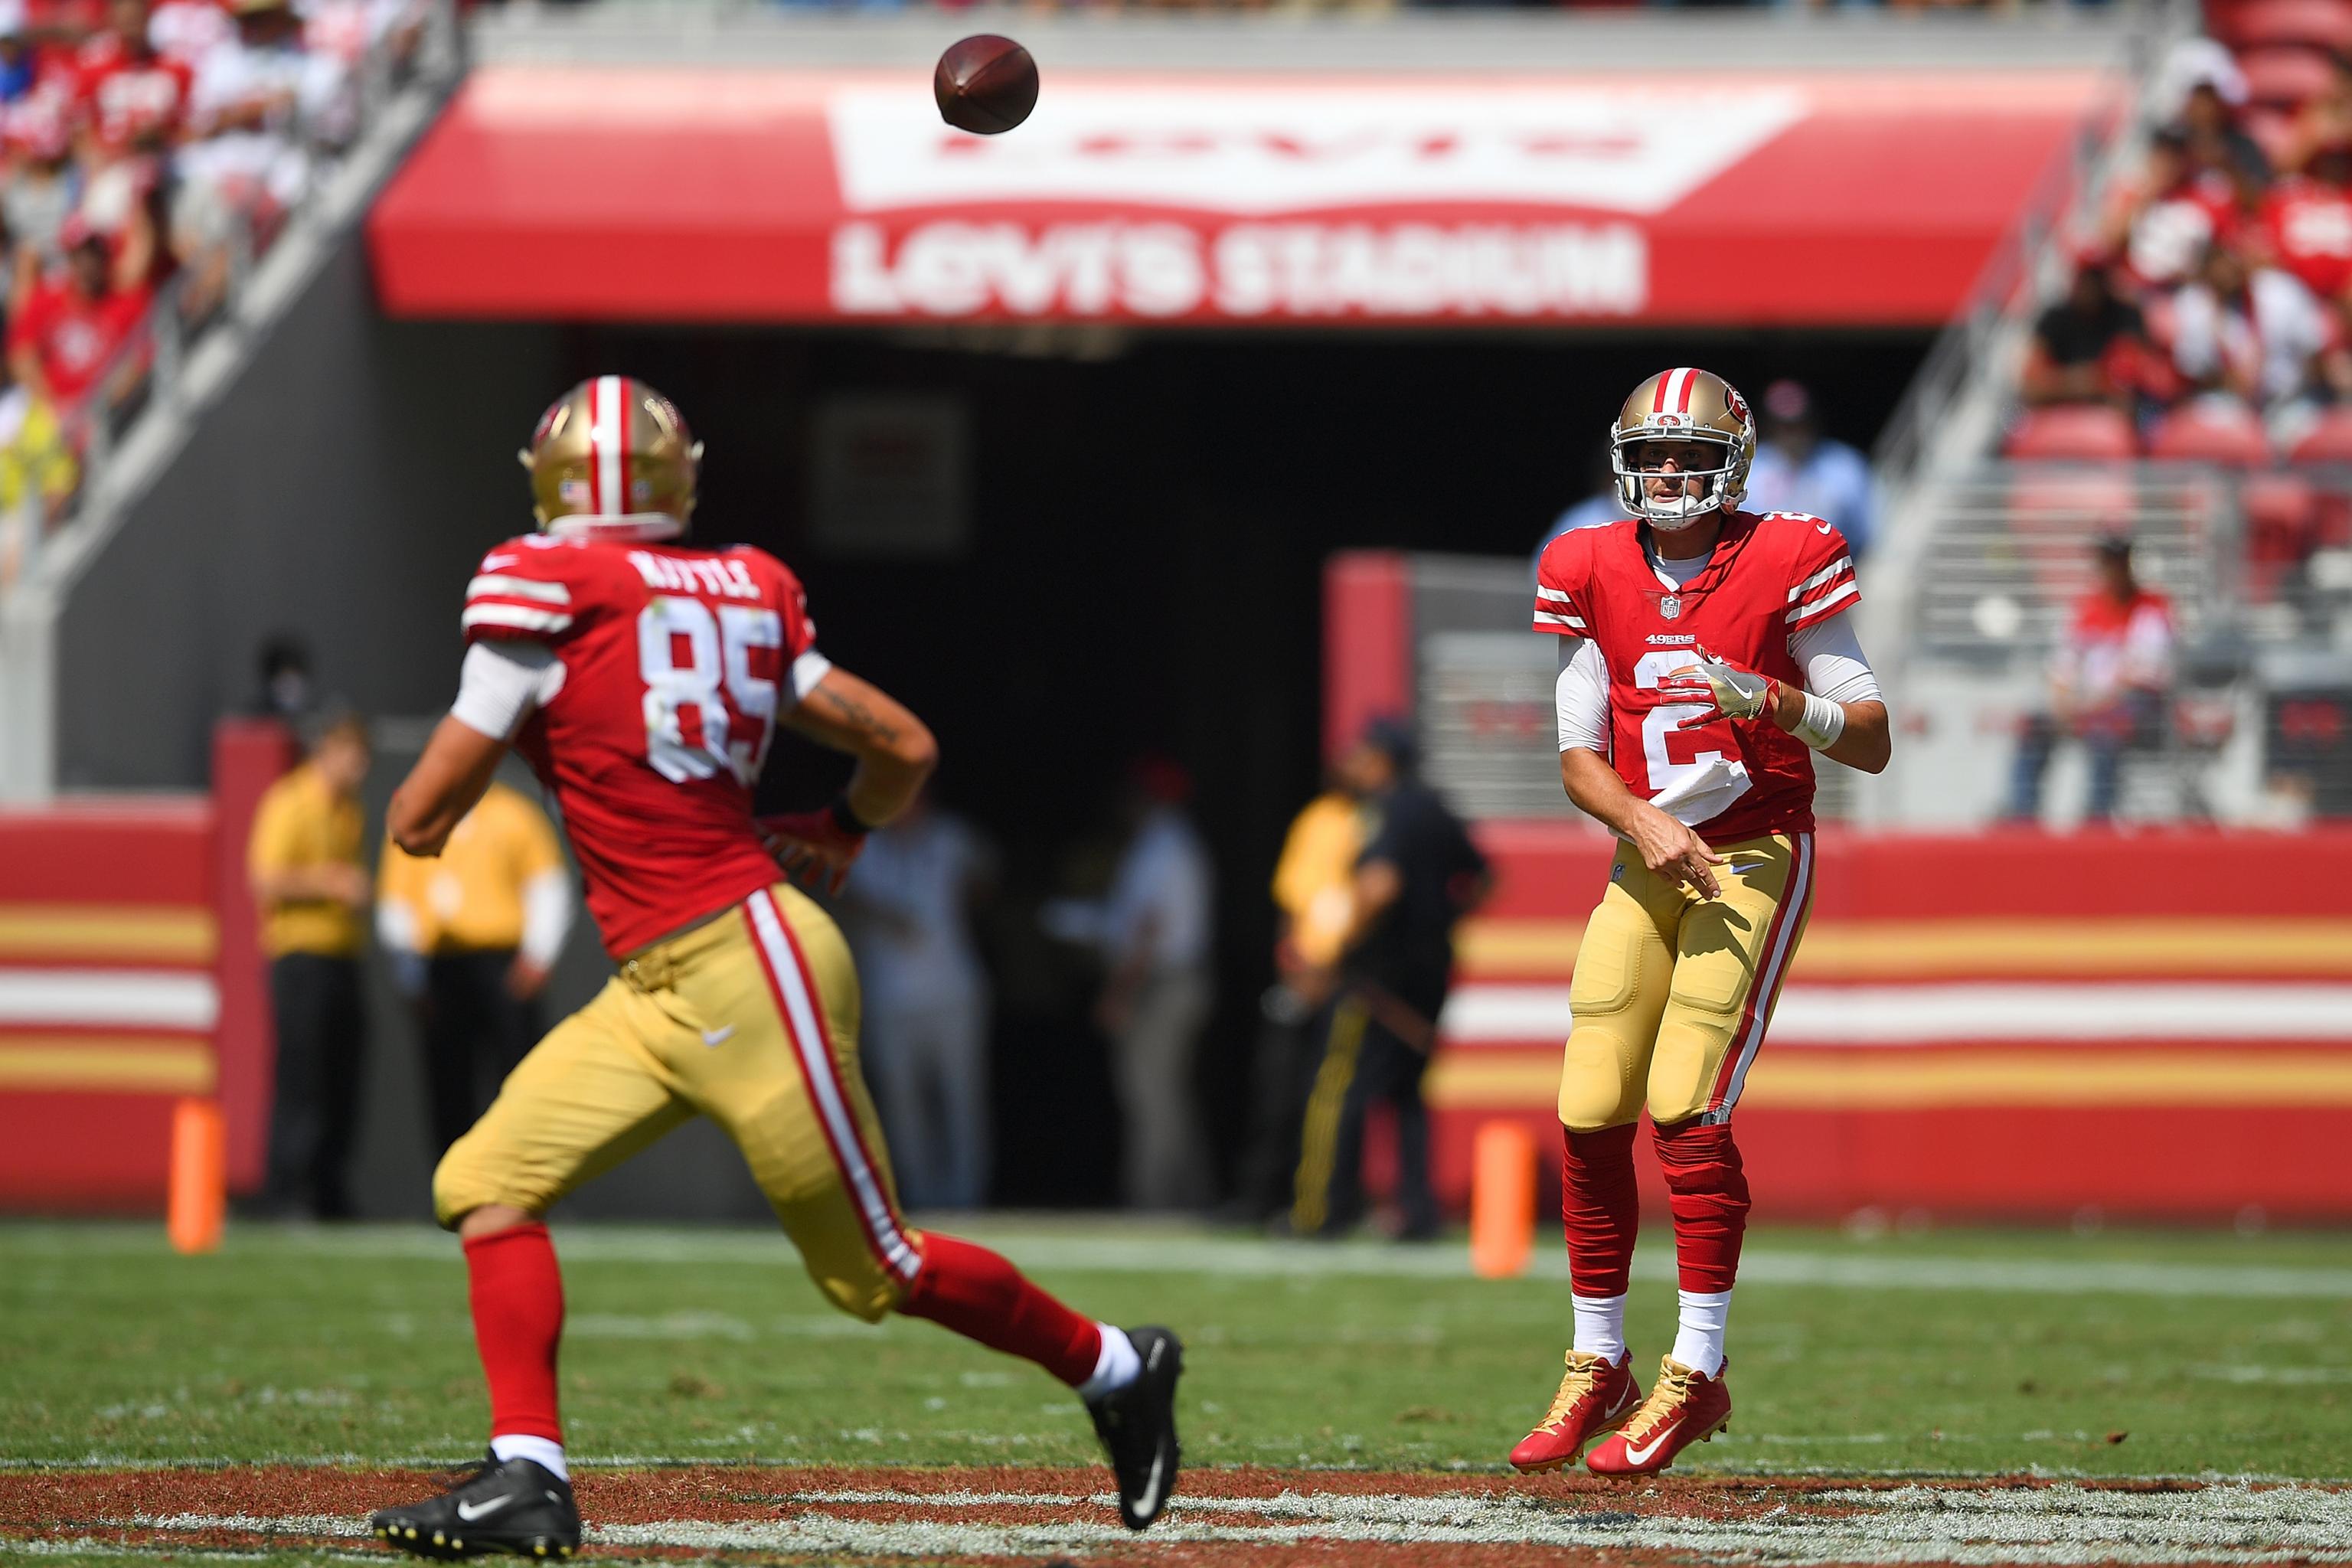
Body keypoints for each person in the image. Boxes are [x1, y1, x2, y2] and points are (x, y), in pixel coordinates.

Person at [367, 377, 1181, 1558]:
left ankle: (1117, 1367)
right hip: (658, 979)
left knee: (874, 1270)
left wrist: (458, 785)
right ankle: (529, 1474)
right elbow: (902, 746)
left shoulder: (541, 583)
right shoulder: (747, 584)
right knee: (487, 1181)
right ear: (675, 476)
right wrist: (845, 828)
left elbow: (419, 816)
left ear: (549, 477)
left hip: (745, 963)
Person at [1514, 368, 1890, 1478]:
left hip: (1758, 852)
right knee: (1587, 1102)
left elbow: (1868, 735)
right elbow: (1579, 754)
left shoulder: (1790, 554)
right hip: (1651, 854)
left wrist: (1777, 701)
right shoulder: (1588, 562)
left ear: (1730, 461)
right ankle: (1599, 1361)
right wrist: (1644, 822)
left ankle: (1697, 1369)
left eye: (1689, 454)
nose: (1669, 473)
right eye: (1653, 455)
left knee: (1685, 1100)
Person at [1288, 719, 1488, 1243]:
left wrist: (1336, 953)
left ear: (1380, 760)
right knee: (1407, 1094)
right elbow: (1484, 876)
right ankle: (1417, 1212)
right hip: (1430, 971)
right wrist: (1441, 921)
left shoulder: (1385, 812)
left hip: (1377, 978)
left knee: (1337, 1087)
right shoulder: (1437, 809)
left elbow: (1380, 886)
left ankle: (1324, 1210)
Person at [1044, 759, 1216, 1211]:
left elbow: (1149, 929)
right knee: (1167, 1094)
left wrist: (1117, 994)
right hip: (1167, 981)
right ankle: (1188, 1195)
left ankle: (1154, 1201)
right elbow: (1130, 922)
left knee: (1150, 1095)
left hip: (1162, 985)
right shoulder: (1162, 845)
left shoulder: (1164, 848)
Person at [376, 778, 574, 1157]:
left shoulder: (515, 814)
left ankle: (523, 1184)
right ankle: (456, 1191)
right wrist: (411, 978)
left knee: (519, 1078)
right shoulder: (417, 814)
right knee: (449, 1082)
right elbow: (396, 902)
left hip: (503, 966)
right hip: (441, 966)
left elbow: (547, 886)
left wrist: (537, 958)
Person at [835, 787, 996, 1211]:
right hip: (889, 996)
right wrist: (882, 914)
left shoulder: (952, 839)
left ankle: (966, 1195)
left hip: (953, 991)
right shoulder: (864, 847)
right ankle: (922, 1195)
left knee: (961, 1098)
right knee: (902, 1103)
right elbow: (842, 895)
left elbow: (987, 880)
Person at [246, 708, 371, 1220]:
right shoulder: (290, 801)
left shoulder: (349, 810)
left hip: (342, 955)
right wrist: (330, 882)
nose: (359, 766)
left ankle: (328, 1190)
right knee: (303, 1077)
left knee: (344, 1076)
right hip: (300, 957)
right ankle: (285, 1190)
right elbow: (265, 879)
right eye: (352, 754)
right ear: (327, 750)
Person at [1227, 779, 1361, 1226]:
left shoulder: (1379, 822)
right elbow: (1291, 902)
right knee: (1279, 1092)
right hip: (1307, 974)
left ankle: (1323, 1201)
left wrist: (1338, 972)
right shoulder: (1319, 819)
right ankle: (1263, 1196)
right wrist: (1294, 970)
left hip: (1346, 980)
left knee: (1331, 1097)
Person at [2005, 533, 2177, 827]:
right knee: (2034, 724)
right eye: (2106, 562)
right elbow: (2063, 666)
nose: (2111, 569)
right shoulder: (2087, 608)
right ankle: (2023, 819)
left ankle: (2096, 823)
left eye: (2117, 562)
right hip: (2085, 705)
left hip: (2136, 708)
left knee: (2106, 728)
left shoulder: (2151, 607)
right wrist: (2063, 700)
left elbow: (2142, 675)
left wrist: (2090, 706)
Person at [1740, 381, 1877, 558]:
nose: (1793, 434)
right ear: (1769, 425)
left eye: (1799, 423)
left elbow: (1867, 533)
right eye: (1784, 426)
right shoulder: (1750, 466)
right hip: (1767, 569)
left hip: (1832, 570)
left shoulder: (1844, 464)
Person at [2021, 252, 2154, 411]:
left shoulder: (2126, 315)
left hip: (2113, 414)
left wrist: (2091, 381)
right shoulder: (2055, 319)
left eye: (2097, 277)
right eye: (2086, 277)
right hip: (2062, 411)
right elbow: (2032, 385)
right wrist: (2082, 381)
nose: (2091, 285)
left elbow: (2126, 380)